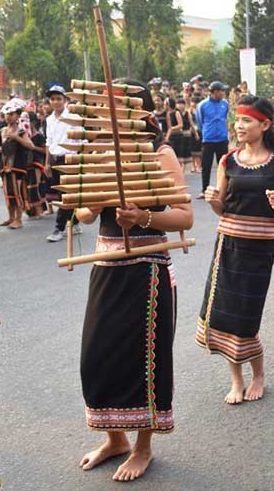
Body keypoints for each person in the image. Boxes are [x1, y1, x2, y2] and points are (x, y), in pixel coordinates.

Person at [75, 81, 193, 482]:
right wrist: (90, 194)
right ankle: (115, 439)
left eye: (118, 109)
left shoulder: (161, 155)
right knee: (97, 356)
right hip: (107, 266)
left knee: (145, 360)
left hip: (148, 270)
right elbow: (85, 215)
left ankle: (143, 446)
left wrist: (143, 216)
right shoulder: (100, 153)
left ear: (143, 116)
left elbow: (184, 217)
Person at [197, 95, 274, 404]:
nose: (239, 126)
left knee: (246, 316)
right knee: (225, 315)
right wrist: (214, 199)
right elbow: (222, 207)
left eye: (246, 120)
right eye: (237, 120)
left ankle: (259, 375)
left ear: (265, 124)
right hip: (227, 245)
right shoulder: (228, 160)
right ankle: (236, 379)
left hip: (260, 249)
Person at [44, 85, 82, 242]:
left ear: (65, 100)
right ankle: (75, 222)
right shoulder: (49, 119)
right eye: (52, 99)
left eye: (59, 98)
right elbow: (49, 142)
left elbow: (81, 140)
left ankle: (58, 228)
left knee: (65, 195)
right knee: (63, 194)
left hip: (70, 159)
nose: (55, 102)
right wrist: (47, 163)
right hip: (55, 159)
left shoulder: (73, 117)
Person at [0, 99, 36, 229]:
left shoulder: (21, 131)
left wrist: (16, 138)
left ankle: (19, 219)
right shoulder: (1, 131)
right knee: (8, 193)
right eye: (7, 114)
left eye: (12, 114)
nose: (8, 116)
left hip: (18, 167)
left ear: (18, 116)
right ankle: (11, 217)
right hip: (5, 166)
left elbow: (31, 145)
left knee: (17, 193)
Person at [196, 81, 230, 198]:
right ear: (215, 92)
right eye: (221, 91)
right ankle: (204, 189)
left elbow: (225, 118)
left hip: (222, 138)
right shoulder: (202, 105)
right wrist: (207, 131)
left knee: (225, 165)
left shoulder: (225, 104)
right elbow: (199, 122)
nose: (223, 93)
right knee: (206, 166)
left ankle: (224, 189)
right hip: (208, 139)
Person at [25, 111, 49, 217]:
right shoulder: (23, 136)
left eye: (27, 121)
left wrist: (34, 148)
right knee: (28, 188)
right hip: (26, 165)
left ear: (33, 122)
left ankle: (39, 210)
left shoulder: (38, 136)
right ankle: (32, 211)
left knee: (35, 187)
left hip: (37, 164)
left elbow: (45, 150)